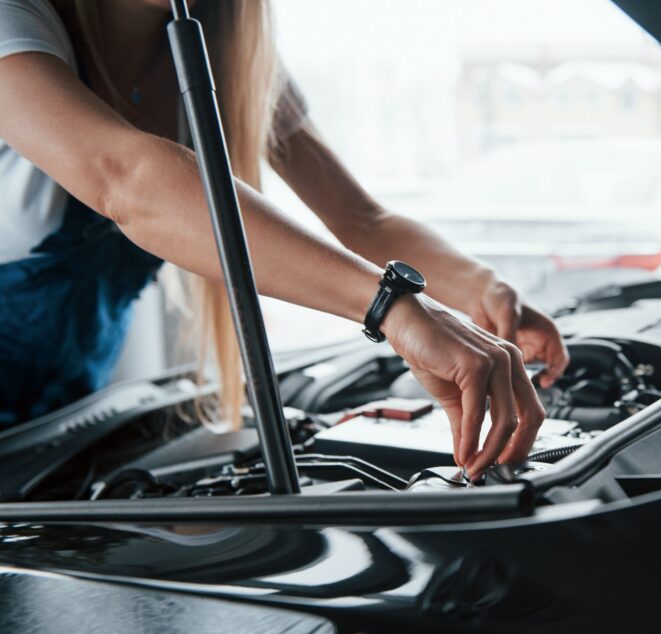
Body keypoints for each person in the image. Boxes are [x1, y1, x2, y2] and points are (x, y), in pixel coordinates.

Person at [0, 0, 569, 478]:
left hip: (60, 433)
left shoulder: (227, 53)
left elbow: (362, 222)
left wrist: (484, 296)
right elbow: (122, 178)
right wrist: (390, 306)